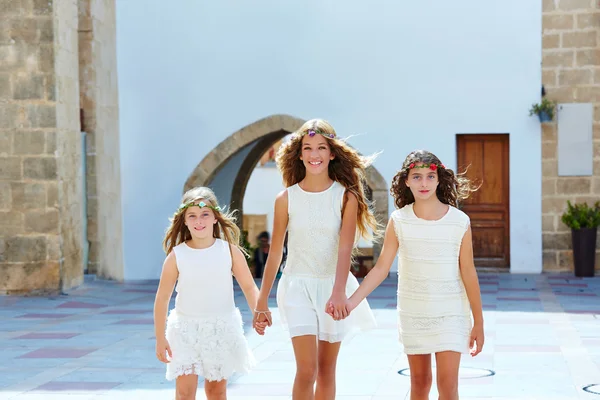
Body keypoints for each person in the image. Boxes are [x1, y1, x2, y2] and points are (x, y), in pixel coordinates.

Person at [336, 150, 484, 400]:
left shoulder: (460, 221)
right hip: (414, 311)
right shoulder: (400, 220)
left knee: (448, 387)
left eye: (429, 176)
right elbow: (381, 269)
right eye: (416, 177)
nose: (424, 183)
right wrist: (351, 301)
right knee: (420, 383)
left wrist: (478, 321)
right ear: (406, 181)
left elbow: (468, 272)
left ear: (439, 179)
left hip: (452, 312)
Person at [253, 119, 378, 400]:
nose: (314, 154)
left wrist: (338, 294)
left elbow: (345, 249)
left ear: (332, 153)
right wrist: (262, 301)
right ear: (299, 154)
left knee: (325, 371)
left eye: (321, 147)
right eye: (307, 148)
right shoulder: (285, 198)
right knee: (306, 370)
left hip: (333, 287)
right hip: (297, 286)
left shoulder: (346, 197)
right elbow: (275, 252)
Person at [153, 186, 266, 400]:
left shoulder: (229, 251)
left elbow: (249, 287)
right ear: (184, 221)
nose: (199, 221)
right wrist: (160, 338)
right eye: (192, 216)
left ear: (215, 218)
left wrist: (259, 312)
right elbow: (162, 298)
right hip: (185, 330)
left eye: (205, 214)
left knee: (216, 391)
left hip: (220, 328)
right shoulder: (177, 256)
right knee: (185, 392)